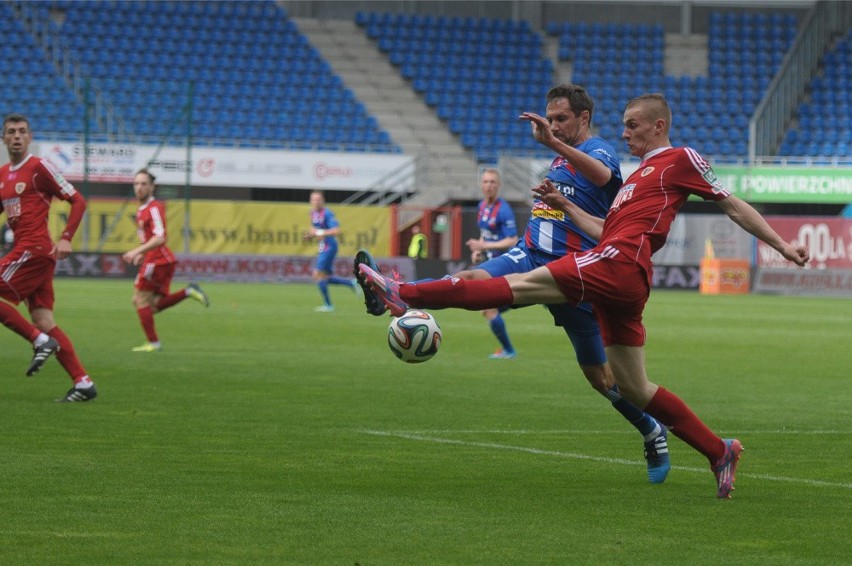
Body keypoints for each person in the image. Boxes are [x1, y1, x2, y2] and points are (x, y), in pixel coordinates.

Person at [359, 93, 810, 498]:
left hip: (619, 264)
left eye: (633, 124)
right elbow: (603, 229)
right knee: (632, 386)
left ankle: (401, 292)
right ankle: (719, 450)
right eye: (624, 124)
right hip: (623, 272)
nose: (624, 131)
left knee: (513, 288)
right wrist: (566, 205)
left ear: (659, 125)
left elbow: (731, 203)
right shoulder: (636, 180)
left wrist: (783, 246)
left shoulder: (679, 158)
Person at [357, 85, 672, 485]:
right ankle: (397, 292)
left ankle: (651, 429)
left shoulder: (600, 151)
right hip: (529, 255)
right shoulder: (560, 163)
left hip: (574, 275)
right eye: (550, 119)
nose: (554, 126)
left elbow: (605, 176)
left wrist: (555, 146)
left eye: (561, 120)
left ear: (584, 118)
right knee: (474, 281)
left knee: (603, 379)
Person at [0, 113, 97, 402]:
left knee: (41, 332)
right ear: (3, 138)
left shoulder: (39, 167)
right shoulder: (3, 174)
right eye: (11, 132)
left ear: (30, 138)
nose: (17, 136)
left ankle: (40, 342)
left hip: (34, 250)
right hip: (32, 254)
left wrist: (66, 236)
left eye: (22, 131)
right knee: (43, 319)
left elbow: (77, 199)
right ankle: (83, 383)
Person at [122, 168, 209, 352]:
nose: (139, 187)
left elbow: (160, 237)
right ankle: (188, 291)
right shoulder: (142, 209)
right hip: (159, 259)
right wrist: (141, 253)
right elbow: (150, 238)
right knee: (150, 306)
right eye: (136, 183)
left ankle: (153, 343)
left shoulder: (153, 208)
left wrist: (137, 250)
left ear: (152, 187)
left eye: (144, 184)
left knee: (139, 300)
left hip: (158, 261)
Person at [466, 168, 519, 359]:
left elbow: (512, 240)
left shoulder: (503, 210)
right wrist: (479, 250)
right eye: (486, 182)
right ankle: (508, 350)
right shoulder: (482, 206)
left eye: (492, 182)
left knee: (488, 308)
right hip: (491, 262)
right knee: (487, 308)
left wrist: (484, 244)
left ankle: (509, 351)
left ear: (498, 186)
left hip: (505, 265)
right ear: (481, 185)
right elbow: (485, 233)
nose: (489, 186)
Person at [303, 190, 356, 312]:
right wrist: (311, 234)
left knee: (317, 274)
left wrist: (319, 232)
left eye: (318, 199)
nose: (316, 202)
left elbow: (336, 231)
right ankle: (351, 283)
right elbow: (315, 229)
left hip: (329, 246)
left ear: (323, 201)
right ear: (310, 201)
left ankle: (328, 305)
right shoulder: (312, 213)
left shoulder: (327, 213)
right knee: (326, 276)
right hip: (323, 246)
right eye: (313, 199)